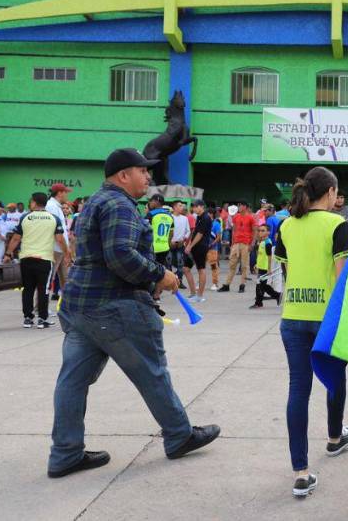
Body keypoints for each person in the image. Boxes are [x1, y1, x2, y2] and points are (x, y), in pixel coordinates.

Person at [48, 148, 219, 479]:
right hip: (115, 306)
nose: (149, 177)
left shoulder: (97, 202)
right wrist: (161, 275)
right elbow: (121, 256)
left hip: (81, 306)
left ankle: (65, 453)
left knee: (72, 380)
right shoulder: (119, 204)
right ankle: (179, 435)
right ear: (123, 175)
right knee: (152, 372)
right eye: (143, 171)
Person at [274, 166, 348, 498]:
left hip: (292, 316)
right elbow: (342, 279)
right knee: (334, 378)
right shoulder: (337, 224)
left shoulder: (286, 225)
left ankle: (301, 472)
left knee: (298, 389)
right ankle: (335, 439)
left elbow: (287, 271)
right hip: (327, 319)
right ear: (331, 192)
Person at [6, 192, 66, 329]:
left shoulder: (25, 217)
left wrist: (8, 253)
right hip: (44, 259)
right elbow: (60, 240)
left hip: (26, 258)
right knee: (43, 289)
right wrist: (67, 254)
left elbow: (16, 238)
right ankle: (42, 319)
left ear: (33, 202)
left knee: (27, 289)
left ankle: (27, 318)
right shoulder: (53, 218)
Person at [223, 201, 257, 293]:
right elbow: (234, 230)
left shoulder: (251, 217)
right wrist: (232, 243)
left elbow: (255, 231)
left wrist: (252, 244)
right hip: (236, 244)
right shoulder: (236, 216)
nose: (239, 207)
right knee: (232, 264)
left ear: (245, 206)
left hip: (246, 244)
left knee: (244, 266)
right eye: (238, 205)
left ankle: (242, 285)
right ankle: (227, 285)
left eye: (240, 205)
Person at [46, 183, 72, 300]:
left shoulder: (57, 206)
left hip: (60, 248)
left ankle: (67, 306)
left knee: (65, 279)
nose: (67, 195)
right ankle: (40, 309)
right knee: (48, 279)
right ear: (60, 193)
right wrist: (66, 251)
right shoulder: (51, 206)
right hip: (55, 249)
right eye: (66, 192)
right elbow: (56, 232)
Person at [184, 199, 212, 302]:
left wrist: (190, 246)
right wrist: (190, 245)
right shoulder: (199, 217)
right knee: (186, 268)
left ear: (201, 206)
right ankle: (193, 293)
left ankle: (200, 296)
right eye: (193, 207)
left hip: (201, 247)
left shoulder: (206, 218)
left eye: (195, 206)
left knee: (201, 269)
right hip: (194, 247)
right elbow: (195, 232)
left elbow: (200, 235)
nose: (193, 208)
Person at [249, 224, 280, 309]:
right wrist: (256, 265)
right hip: (261, 267)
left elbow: (270, 257)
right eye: (259, 231)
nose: (260, 232)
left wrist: (269, 268)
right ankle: (275, 296)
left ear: (268, 232)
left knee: (260, 286)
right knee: (261, 286)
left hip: (265, 268)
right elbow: (261, 256)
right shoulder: (262, 242)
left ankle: (260, 302)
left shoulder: (267, 243)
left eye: (263, 231)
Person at [170, 200, 193, 290]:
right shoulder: (169, 217)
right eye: (180, 205)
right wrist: (170, 241)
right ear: (174, 207)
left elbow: (188, 231)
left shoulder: (185, 218)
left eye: (182, 206)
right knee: (168, 263)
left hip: (180, 244)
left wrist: (184, 238)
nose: (182, 207)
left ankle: (179, 281)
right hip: (170, 244)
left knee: (180, 264)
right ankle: (170, 282)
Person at [146, 195, 174, 269]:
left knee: (150, 272)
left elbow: (143, 230)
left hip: (152, 248)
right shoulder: (170, 216)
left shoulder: (151, 214)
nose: (149, 203)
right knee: (160, 270)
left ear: (156, 201)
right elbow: (171, 233)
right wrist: (168, 243)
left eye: (151, 201)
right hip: (165, 248)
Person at [207, 204, 223, 291]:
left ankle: (215, 283)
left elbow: (218, 237)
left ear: (212, 214)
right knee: (201, 267)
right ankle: (200, 282)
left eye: (208, 213)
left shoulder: (216, 224)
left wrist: (211, 244)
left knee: (213, 266)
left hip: (212, 249)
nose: (207, 215)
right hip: (203, 248)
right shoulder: (203, 223)